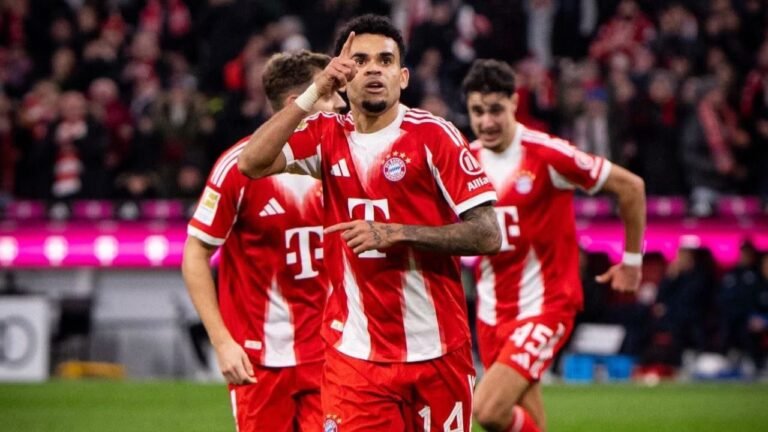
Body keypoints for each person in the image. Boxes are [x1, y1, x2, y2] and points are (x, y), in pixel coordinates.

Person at [237, 14, 501, 432]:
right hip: (355, 356)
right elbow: (251, 163)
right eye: (360, 61)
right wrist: (316, 90)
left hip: (437, 349)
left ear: (403, 77)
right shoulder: (325, 134)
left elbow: (488, 233)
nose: (374, 69)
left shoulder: (435, 136)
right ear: (344, 77)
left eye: (385, 60)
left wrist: (397, 233)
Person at [461, 59, 646, 432]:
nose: (487, 121)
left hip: (546, 305)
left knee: (489, 410)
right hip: (491, 311)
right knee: (527, 420)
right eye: (478, 112)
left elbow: (631, 187)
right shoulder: (465, 161)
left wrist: (631, 261)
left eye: (495, 109)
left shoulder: (547, 154)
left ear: (514, 103)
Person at [182, 50, 346, 432]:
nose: (340, 103)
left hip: (332, 354)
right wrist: (222, 342)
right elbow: (195, 252)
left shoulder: (344, 159)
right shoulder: (239, 167)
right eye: (328, 94)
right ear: (296, 104)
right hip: (259, 360)